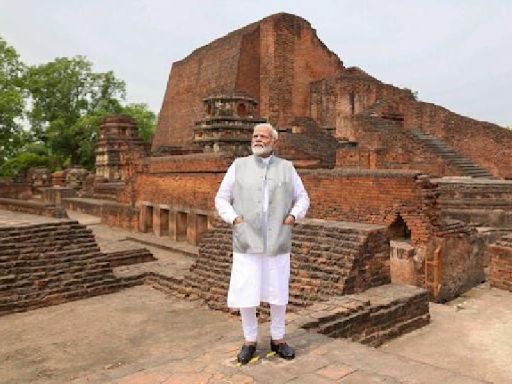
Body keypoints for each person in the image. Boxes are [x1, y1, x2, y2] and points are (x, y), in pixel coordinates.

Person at [215, 122, 310, 365]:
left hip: (277, 239)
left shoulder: (287, 168)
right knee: (247, 292)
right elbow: (221, 199)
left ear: (274, 141)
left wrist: (293, 217)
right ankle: (249, 341)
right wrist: (234, 218)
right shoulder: (239, 166)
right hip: (247, 240)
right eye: (255, 136)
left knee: (278, 292)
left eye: (264, 136)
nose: (258, 139)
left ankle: (278, 339)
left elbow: (303, 198)